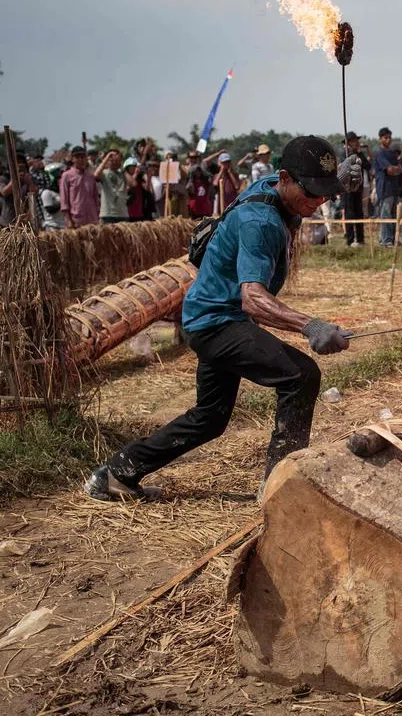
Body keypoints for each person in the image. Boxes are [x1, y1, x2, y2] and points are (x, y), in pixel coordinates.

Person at [85, 136, 363, 501]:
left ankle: (116, 474)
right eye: (312, 192)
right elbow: (253, 299)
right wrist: (311, 326)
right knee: (302, 375)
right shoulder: (259, 222)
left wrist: (335, 182)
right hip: (218, 322)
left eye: (324, 193)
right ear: (284, 177)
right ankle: (280, 491)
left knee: (210, 418)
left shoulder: (272, 188)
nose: (318, 201)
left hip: (207, 314)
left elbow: (306, 194)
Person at [372, 127, 402, 247]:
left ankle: (392, 239)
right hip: (384, 188)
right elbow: (390, 170)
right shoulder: (380, 154)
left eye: (389, 137)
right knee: (386, 214)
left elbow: (399, 168)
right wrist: (394, 169)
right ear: (380, 139)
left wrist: (395, 169)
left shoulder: (392, 154)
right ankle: (385, 240)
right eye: (385, 137)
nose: (388, 140)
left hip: (394, 188)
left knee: (393, 215)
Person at [341, 132, 372, 247]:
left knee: (359, 213)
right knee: (349, 213)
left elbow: (368, 166)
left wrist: (359, 153)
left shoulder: (359, 154)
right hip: (347, 188)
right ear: (349, 143)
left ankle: (360, 239)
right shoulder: (344, 154)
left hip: (358, 188)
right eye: (354, 141)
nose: (357, 143)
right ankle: (350, 240)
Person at [59, 145, 100, 227]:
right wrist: (68, 219)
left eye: (82, 157)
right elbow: (64, 199)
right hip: (76, 219)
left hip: (92, 218)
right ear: (72, 159)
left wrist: (97, 214)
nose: (80, 160)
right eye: (77, 157)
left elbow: (95, 197)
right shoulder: (66, 175)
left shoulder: (90, 176)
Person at [94, 148, 129, 224]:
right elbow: (96, 175)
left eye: (117, 160)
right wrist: (107, 157)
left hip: (123, 214)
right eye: (112, 160)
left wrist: (122, 166)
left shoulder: (123, 174)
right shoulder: (104, 173)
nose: (114, 162)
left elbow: (133, 183)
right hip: (107, 214)